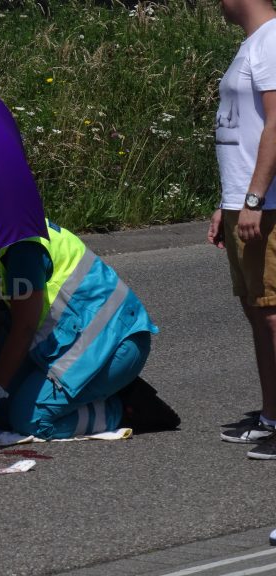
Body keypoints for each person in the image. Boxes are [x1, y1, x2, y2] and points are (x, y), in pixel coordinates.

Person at [0, 219, 174, 440]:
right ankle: (89, 391)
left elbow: (24, 328)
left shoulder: (23, 248)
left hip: (115, 345)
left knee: (29, 420)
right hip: (76, 346)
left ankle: (120, 408)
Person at [208, 0, 276, 459]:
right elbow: (241, 130)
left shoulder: (272, 40)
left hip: (266, 204)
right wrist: (227, 203)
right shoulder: (253, 44)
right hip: (243, 201)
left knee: (273, 311)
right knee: (257, 310)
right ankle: (272, 414)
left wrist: (254, 198)